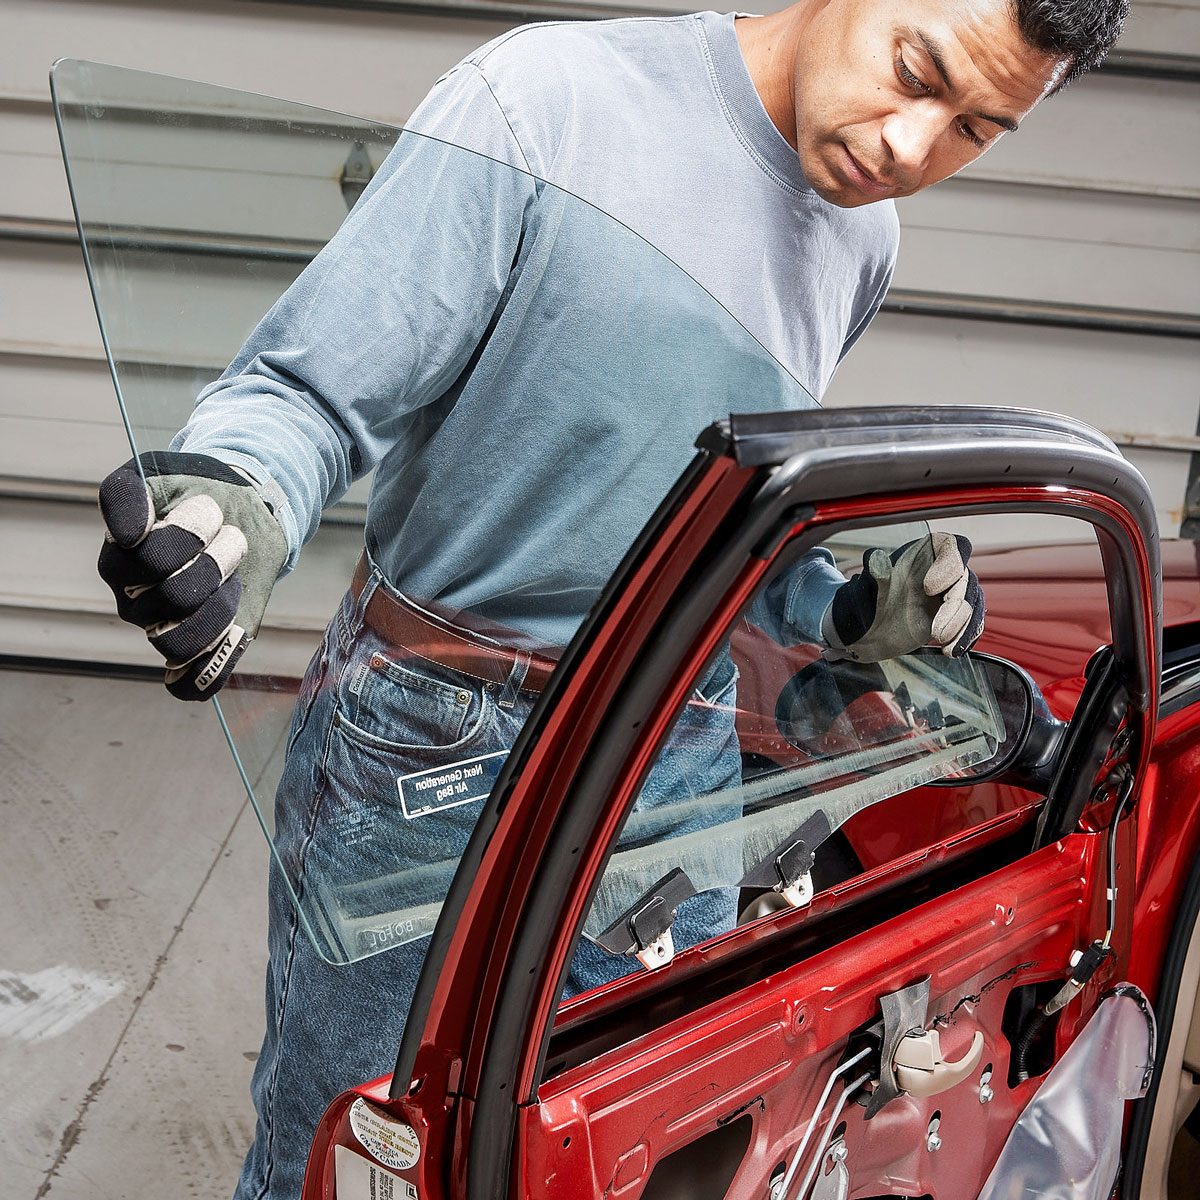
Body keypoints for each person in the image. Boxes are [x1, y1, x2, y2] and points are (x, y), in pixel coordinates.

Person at [93, 1, 1128, 1195]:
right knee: (364, 1161)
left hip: (674, 765)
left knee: (615, 1155)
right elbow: (303, 390)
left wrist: (844, 615)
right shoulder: (547, 105)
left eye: (976, 129)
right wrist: (242, 501)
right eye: (915, 70)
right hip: (437, 740)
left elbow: (714, 524)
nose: (910, 144)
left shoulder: (863, 241)